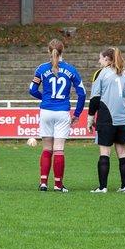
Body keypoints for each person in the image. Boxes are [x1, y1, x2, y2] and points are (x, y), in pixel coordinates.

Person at [29, 38, 85, 192]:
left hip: (46, 111)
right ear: (63, 51)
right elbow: (82, 94)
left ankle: (43, 183)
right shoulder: (71, 70)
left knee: (47, 148)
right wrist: (77, 113)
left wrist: (46, 98)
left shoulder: (41, 68)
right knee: (59, 149)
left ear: (49, 51)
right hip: (62, 112)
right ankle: (58, 185)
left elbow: (32, 90)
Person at [88, 47, 125, 193]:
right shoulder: (124, 74)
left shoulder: (101, 74)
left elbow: (95, 98)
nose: (99, 61)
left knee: (104, 152)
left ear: (107, 59)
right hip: (123, 119)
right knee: (122, 151)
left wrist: (90, 117)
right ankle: (124, 186)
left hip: (107, 117)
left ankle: (102, 187)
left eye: (100, 58)